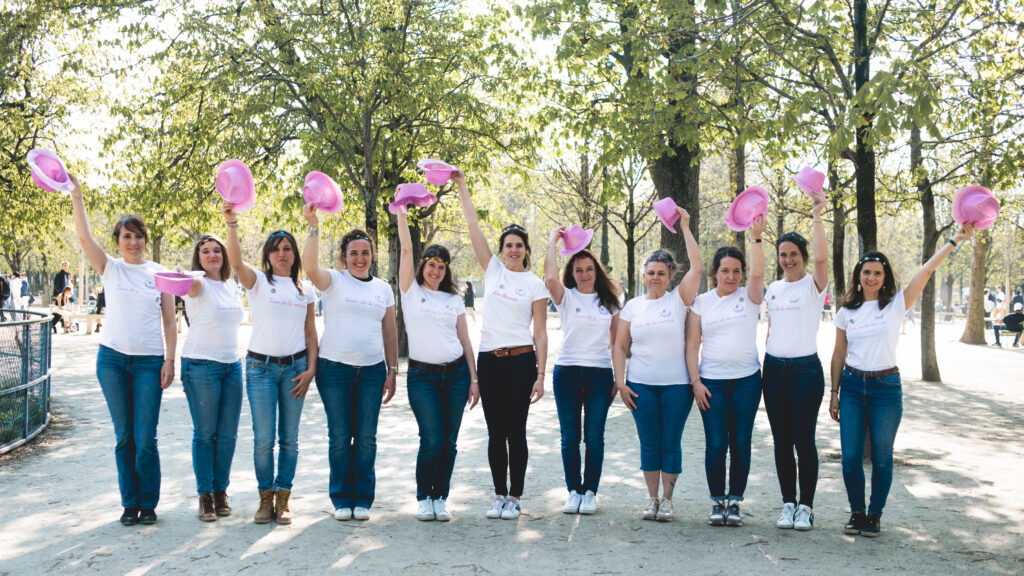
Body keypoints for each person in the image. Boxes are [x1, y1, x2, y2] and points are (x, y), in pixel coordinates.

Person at [830, 223, 975, 537]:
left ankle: (874, 515)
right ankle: (856, 513)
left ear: (885, 278)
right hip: (853, 387)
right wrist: (834, 393)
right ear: (858, 275)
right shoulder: (846, 312)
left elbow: (925, 272)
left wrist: (954, 240)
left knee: (882, 456)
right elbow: (839, 354)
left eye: (877, 274)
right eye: (866, 272)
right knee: (851, 456)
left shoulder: (896, 305)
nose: (871, 278)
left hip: (886, 389)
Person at [67, 174, 176, 526]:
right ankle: (130, 504)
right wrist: (77, 195)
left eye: (138, 236)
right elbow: (84, 236)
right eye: (126, 236)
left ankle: (149, 504)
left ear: (145, 240)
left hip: (148, 363)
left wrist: (169, 360)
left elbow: (170, 322)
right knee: (124, 437)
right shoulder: (109, 269)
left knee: (145, 439)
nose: (133, 242)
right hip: (112, 360)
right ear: (117, 242)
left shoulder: (159, 273)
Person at [457, 169, 548, 520]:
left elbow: (540, 332)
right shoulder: (492, 271)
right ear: (501, 250)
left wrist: (541, 374)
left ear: (526, 251)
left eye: (519, 246)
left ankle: (516, 496)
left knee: (517, 431)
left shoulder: (535, 284)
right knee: (496, 432)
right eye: (508, 245)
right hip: (490, 363)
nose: (513, 250)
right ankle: (498, 494)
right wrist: (463, 184)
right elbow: (473, 227)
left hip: (522, 362)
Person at [223, 202, 318, 525]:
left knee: (289, 438)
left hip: (295, 370)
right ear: (268, 255)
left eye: (288, 248)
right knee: (264, 437)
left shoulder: (304, 290)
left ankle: (285, 498)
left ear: (295, 255)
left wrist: (311, 370)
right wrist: (232, 223)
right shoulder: (258, 282)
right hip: (260, 370)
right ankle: (265, 499)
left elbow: (310, 333)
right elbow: (234, 261)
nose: (282, 253)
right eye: (276, 249)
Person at [302, 205, 397, 522]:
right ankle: (342, 498)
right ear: (344, 256)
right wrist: (313, 227)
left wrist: (393, 370)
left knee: (367, 437)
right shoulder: (333, 281)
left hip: (372, 372)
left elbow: (390, 332)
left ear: (372, 255)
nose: (360, 258)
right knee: (341, 437)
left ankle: (363, 499)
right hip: (334, 370)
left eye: (365, 252)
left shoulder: (383, 289)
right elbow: (310, 267)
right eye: (354, 253)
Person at [612, 208, 702, 522]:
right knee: (649, 442)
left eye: (661, 273)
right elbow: (620, 346)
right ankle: (651, 499)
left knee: (670, 442)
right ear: (644, 274)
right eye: (650, 273)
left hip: (677, 386)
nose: (655, 278)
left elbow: (699, 267)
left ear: (670, 276)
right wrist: (621, 382)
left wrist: (686, 228)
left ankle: (668, 500)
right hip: (641, 386)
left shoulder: (679, 300)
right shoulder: (633, 307)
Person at [395, 208, 478, 522]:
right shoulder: (411, 292)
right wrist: (401, 214)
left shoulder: (454, 299)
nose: (436, 271)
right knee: (431, 439)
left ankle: (440, 496)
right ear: (422, 266)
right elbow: (404, 248)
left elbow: (465, 341)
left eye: (441, 267)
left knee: (449, 441)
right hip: (422, 378)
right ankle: (423, 496)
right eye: (431, 265)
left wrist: (474, 379)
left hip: (456, 376)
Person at [686, 218, 766, 528]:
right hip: (711, 384)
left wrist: (756, 239)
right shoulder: (701, 303)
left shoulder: (750, 296)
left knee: (741, 443)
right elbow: (692, 346)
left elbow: (759, 272)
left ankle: (735, 502)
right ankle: (717, 500)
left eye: (736, 271)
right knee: (716, 443)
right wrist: (696, 383)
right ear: (714, 274)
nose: (731, 276)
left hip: (747, 381)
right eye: (725, 271)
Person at [761, 194, 829, 532]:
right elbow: (773, 327)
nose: (788, 260)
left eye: (794, 254)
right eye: (784, 255)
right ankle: (788, 503)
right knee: (781, 441)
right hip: (774, 372)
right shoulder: (772, 288)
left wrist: (817, 216)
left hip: (805, 372)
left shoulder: (813, 285)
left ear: (802, 257)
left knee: (804, 439)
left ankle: (806, 506)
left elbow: (821, 258)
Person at [544, 232, 622, 515]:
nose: (585, 274)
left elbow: (616, 345)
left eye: (589, 269)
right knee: (570, 437)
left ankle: (590, 492)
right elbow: (550, 279)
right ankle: (573, 491)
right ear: (572, 273)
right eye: (578, 270)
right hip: (566, 373)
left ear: (596, 271)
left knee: (594, 436)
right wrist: (552, 242)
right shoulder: (566, 297)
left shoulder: (610, 302)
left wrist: (618, 379)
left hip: (600, 376)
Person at [180, 234, 245, 521]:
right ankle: (205, 495)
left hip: (232, 365)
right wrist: (183, 275)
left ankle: (221, 492)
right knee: (205, 434)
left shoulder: (231, 284)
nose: (212, 255)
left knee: (228, 435)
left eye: (217, 250)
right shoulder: (197, 283)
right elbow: (187, 283)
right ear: (198, 257)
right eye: (205, 251)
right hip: (201, 365)